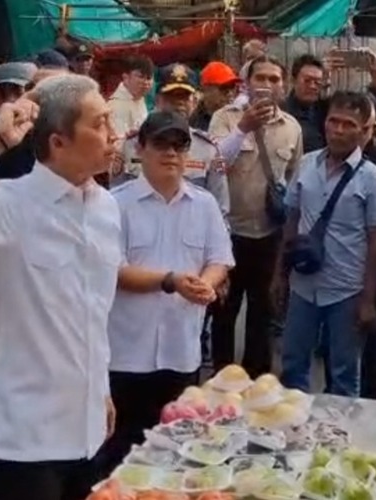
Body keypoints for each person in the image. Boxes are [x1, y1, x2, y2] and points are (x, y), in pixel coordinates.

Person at [0, 74, 120, 500]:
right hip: (25, 436)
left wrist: (100, 390)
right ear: (58, 141)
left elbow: (92, 315)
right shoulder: (8, 203)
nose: (114, 134)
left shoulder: (106, 207)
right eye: (99, 123)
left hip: (87, 428)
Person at [104, 110, 234, 470]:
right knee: (122, 454)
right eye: (161, 144)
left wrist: (206, 284)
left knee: (177, 452)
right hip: (127, 353)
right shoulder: (115, 204)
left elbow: (220, 259)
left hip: (181, 349)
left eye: (179, 145)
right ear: (140, 149)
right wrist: (171, 281)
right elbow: (112, 270)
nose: (171, 153)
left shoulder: (204, 204)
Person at [275, 91, 376, 397]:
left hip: (346, 291)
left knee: (344, 374)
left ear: (364, 130)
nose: (339, 130)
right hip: (303, 286)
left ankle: (340, 427)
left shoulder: (373, 178)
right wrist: (280, 276)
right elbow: (291, 222)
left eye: (349, 124)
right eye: (333, 121)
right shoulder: (306, 164)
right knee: (292, 366)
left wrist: (368, 300)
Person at [209, 55, 303, 377]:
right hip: (227, 233)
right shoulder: (224, 118)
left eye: (274, 79)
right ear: (246, 84)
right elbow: (214, 164)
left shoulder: (291, 128)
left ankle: (254, 382)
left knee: (263, 313)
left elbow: (292, 178)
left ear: (283, 86)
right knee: (224, 311)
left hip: (268, 235)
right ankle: (221, 379)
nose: (266, 85)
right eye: (260, 78)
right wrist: (243, 129)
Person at [155, 64, 231, 218]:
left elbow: (220, 210)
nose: (179, 103)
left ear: (194, 102)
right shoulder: (133, 145)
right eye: (171, 96)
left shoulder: (208, 149)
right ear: (158, 101)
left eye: (184, 97)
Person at [108, 56, 155, 180]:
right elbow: (119, 147)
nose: (145, 82)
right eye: (140, 76)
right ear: (125, 77)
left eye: (149, 78)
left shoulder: (140, 100)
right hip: (126, 173)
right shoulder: (116, 105)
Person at [283, 54, 330, 153]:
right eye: (307, 81)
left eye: (317, 82)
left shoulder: (326, 110)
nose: (312, 86)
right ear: (293, 80)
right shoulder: (282, 112)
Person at [191, 62, 241, 132]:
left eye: (232, 87)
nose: (230, 93)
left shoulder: (240, 118)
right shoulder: (194, 122)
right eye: (224, 88)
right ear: (206, 90)